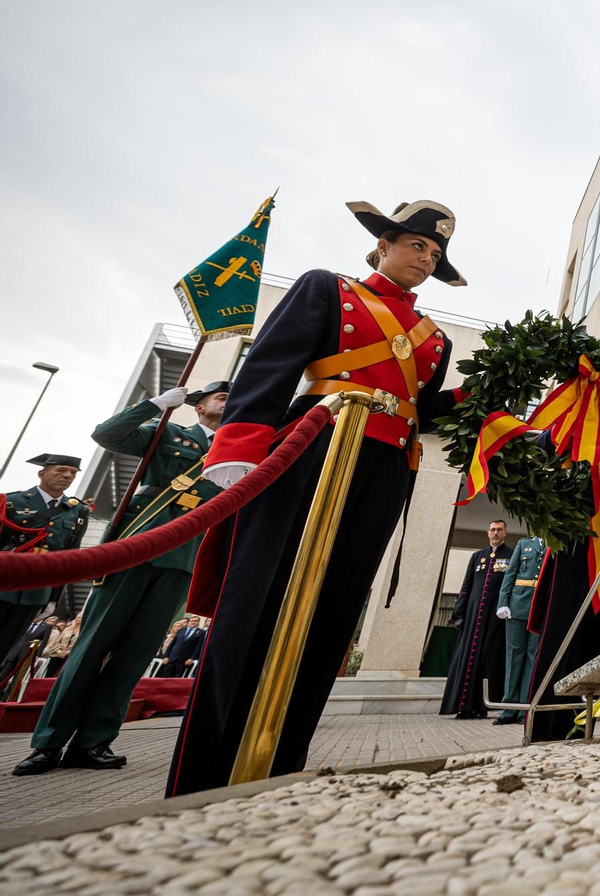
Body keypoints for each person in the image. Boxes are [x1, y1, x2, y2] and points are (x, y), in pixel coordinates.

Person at [167, 200, 467, 796]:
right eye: (417, 245)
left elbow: (421, 411)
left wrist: (481, 396)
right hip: (312, 450)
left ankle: (281, 768)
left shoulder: (435, 338)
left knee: (332, 614)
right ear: (382, 245)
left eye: (435, 255)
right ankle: (206, 777)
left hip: (383, 470)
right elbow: (270, 366)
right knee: (257, 603)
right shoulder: (328, 289)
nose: (426, 259)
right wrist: (240, 448)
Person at [13, 382, 230, 776]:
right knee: (93, 644)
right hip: (137, 544)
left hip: (183, 556)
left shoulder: (234, 449)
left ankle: (93, 741)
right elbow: (107, 435)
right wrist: (155, 405)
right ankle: (48, 743)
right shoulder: (169, 431)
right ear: (198, 407)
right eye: (221, 397)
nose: (229, 403)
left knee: (136, 653)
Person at [522, 335, 600, 741]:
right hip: (586, 522)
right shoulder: (586, 404)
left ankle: (581, 721)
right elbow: (550, 444)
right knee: (568, 623)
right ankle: (546, 722)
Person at [1, 454, 92, 664]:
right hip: (5, 580)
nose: (68, 476)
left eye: (73, 473)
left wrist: (53, 599)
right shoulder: (12, 501)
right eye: (61, 470)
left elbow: (68, 559)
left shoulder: (78, 511)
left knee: (5, 646)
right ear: (42, 473)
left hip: (36, 591)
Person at [440, 521, 512, 719]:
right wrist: (459, 614)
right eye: (492, 530)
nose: (495, 533)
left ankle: (482, 706)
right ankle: (464, 706)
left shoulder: (511, 555)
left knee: (490, 659)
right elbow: (466, 587)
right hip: (473, 617)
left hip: (495, 618)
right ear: (488, 533)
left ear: (505, 533)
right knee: (467, 659)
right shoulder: (477, 556)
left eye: (499, 530)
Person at [495, 532, 547, 724]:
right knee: (514, 656)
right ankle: (508, 709)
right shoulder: (524, 544)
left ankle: (524, 709)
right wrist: (503, 602)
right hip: (517, 605)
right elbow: (510, 574)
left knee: (532, 658)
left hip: (539, 607)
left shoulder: (554, 545)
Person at [41, 613, 81, 678]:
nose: (77, 619)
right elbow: (58, 641)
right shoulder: (67, 629)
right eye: (77, 617)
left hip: (70, 656)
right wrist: (59, 651)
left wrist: (68, 652)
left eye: (80, 618)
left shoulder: (82, 631)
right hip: (57, 653)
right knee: (50, 672)